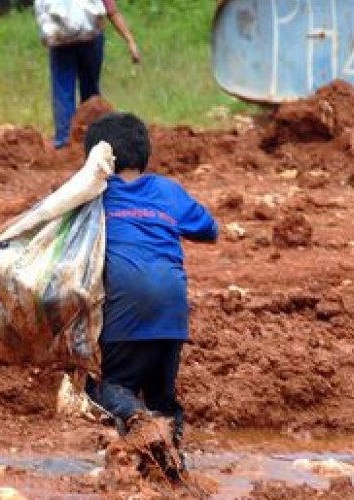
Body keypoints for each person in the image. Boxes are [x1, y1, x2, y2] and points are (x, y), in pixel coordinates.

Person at [83, 112, 218, 471]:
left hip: (126, 308)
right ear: (145, 155)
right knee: (163, 397)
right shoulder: (167, 191)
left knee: (111, 388)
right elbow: (209, 229)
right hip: (172, 312)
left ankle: (142, 424)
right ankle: (172, 467)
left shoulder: (94, 195)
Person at [47, 0, 140, 150]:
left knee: (63, 92)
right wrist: (130, 41)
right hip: (90, 39)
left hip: (61, 39)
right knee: (90, 91)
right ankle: (93, 140)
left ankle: (64, 142)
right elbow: (111, 11)